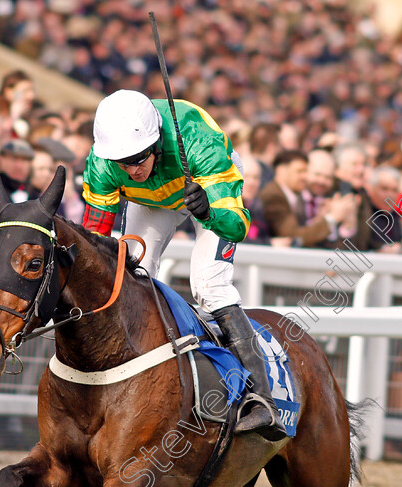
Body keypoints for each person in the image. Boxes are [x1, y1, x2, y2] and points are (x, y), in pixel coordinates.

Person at [80, 90, 286, 441]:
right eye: (123, 163)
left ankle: (262, 399)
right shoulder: (102, 163)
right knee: (130, 275)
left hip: (205, 191)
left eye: (140, 158)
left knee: (209, 286)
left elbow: (238, 226)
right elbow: (91, 241)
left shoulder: (198, 142)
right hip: (151, 202)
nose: (132, 169)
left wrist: (207, 210)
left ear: (157, 143)